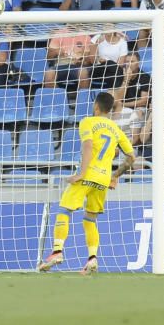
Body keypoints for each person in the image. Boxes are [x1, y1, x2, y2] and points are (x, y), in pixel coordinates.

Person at [38, 91, 135, 274]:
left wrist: (81, 174)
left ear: (96, 107)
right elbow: (131, 157)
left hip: (87, 175)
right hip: (103, 180)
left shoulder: (87, 122)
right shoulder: (116, 130)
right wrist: (115, 176)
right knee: (90, 219)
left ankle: (57, 251)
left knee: (64, 210)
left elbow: (88, 146)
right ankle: (92, 259)